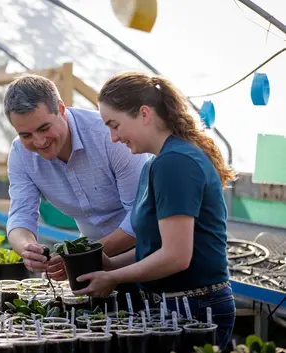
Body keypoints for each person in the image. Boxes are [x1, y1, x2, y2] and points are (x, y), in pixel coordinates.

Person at [73, 72, 235, 350]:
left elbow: (176, 256)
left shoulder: (176, 162)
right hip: (173, 306)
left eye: (115, 125)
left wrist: (113, 278)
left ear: (144, 114)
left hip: (193, 308)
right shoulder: (155, 164)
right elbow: (156, 247)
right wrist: (112, 264)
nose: (112, 138)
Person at [4, 74, 148, 307]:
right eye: (26, 135)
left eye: (44, 128)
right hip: (95, 265)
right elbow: (20, 215)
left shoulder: (109, 136)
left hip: (147, 255)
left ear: (61, 109)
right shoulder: (21, 154)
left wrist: (80, 256)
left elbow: (140, 217)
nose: (39, 142)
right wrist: (28, 249)